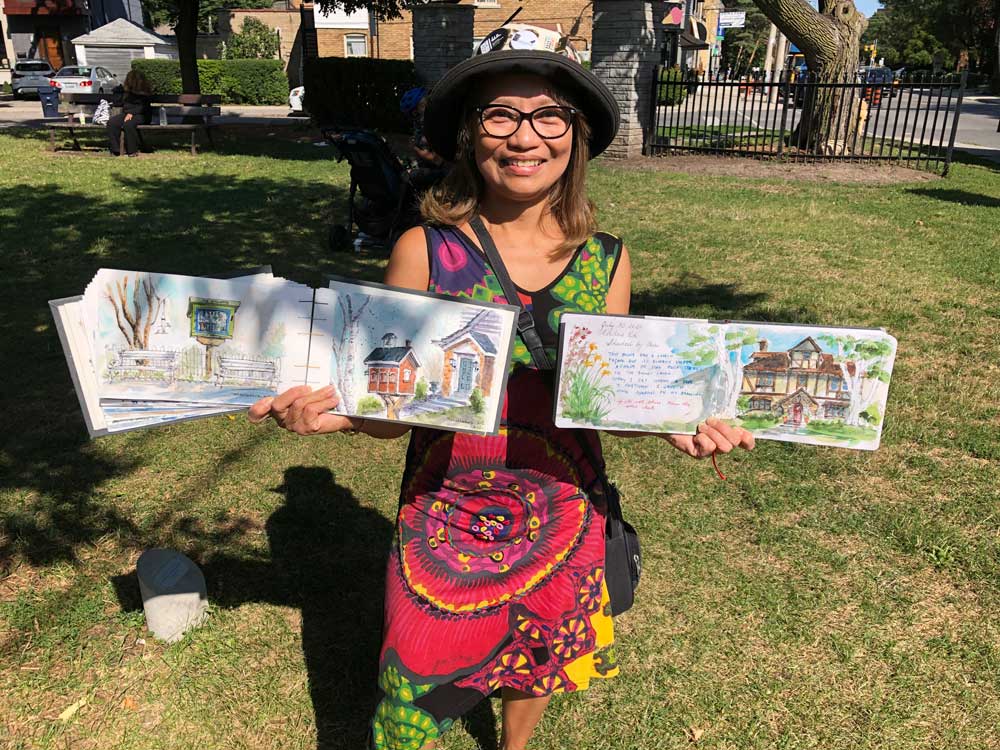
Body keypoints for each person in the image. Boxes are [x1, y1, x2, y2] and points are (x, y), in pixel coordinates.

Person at [249, 23, 754, 750]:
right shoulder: (424, 250)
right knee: (410, 695)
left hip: (564, 503)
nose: (526, 138)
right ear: (469, 135)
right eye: (501, 115)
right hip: (445, 507)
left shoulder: (606, 260)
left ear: (575, 135)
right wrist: (331, 418)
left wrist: (678, 422)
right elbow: (391, 409)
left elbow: (605, 393)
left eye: (549, 115)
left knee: (537, 664)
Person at [107, 70, 152, 157]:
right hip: (127, 114)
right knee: (112, 122)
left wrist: (131, 113)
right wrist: (118, 93)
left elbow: (143, 107)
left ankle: (132, 150)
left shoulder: (145, 91)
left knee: (129, 124)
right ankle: (116, 149)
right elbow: (120, 104)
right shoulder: (127, 91)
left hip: (142, 115)